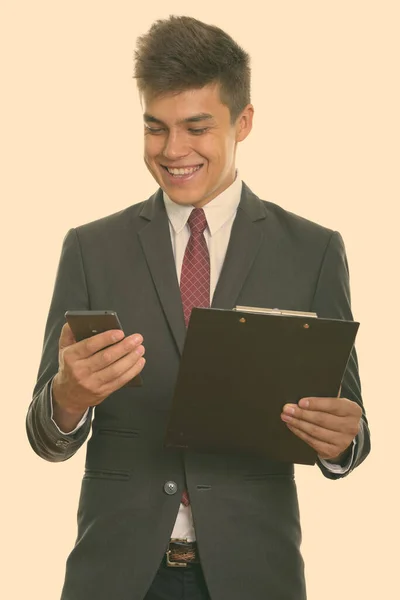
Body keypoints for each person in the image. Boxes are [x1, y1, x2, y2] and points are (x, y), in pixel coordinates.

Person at [26, 15, 370, 600]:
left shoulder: (313, 251)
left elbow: (349, 426)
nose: (172, 150)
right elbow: (44, 433)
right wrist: (66, 400)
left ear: (244, 122)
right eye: (155, 128)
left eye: (196, 127)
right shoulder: (89, 248)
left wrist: (343, 444)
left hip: (255, 575)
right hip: (115, 576)